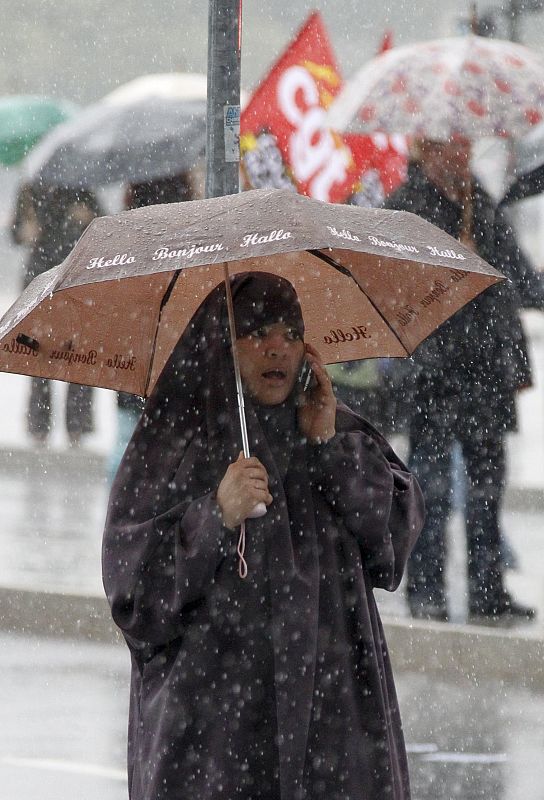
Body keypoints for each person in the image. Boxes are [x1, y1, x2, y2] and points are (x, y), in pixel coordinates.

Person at [102, 272, 425, 800]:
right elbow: (134, 592)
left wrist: (329, 448)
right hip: (212, 734)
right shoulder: (177, 439)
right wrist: (213, 516)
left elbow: (393, 536)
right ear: (221, 346)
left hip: (331, 722)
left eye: (290, 333)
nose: (277, 348)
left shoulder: (328, 425)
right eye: (255, 333)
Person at [382, 137, 544, 623]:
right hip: (435, 375)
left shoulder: (481, 202)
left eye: (463, 143)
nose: (460, 153)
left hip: (486, 374)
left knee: (486, 490)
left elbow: (514, 274)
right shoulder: (406, 208)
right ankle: (426, 592)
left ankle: (487, 593)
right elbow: (397, 290)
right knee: (428, 488)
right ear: (426, 150)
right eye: (449, 144)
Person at [107, 173, 194, 480]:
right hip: (172, 364)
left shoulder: (129, 243)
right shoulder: (186, 241)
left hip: (135, 356)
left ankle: (119, 512)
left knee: (124, 443)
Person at [12, 184, 101, 444]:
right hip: (39, 278)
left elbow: (101, 222)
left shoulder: (82, 187)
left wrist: (88, 216)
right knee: (38, 352)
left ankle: (77, 426)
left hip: (73, 276)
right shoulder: (29, 190)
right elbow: (15, 232)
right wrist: (24, 231)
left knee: (77, 353)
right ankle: (40, 426)